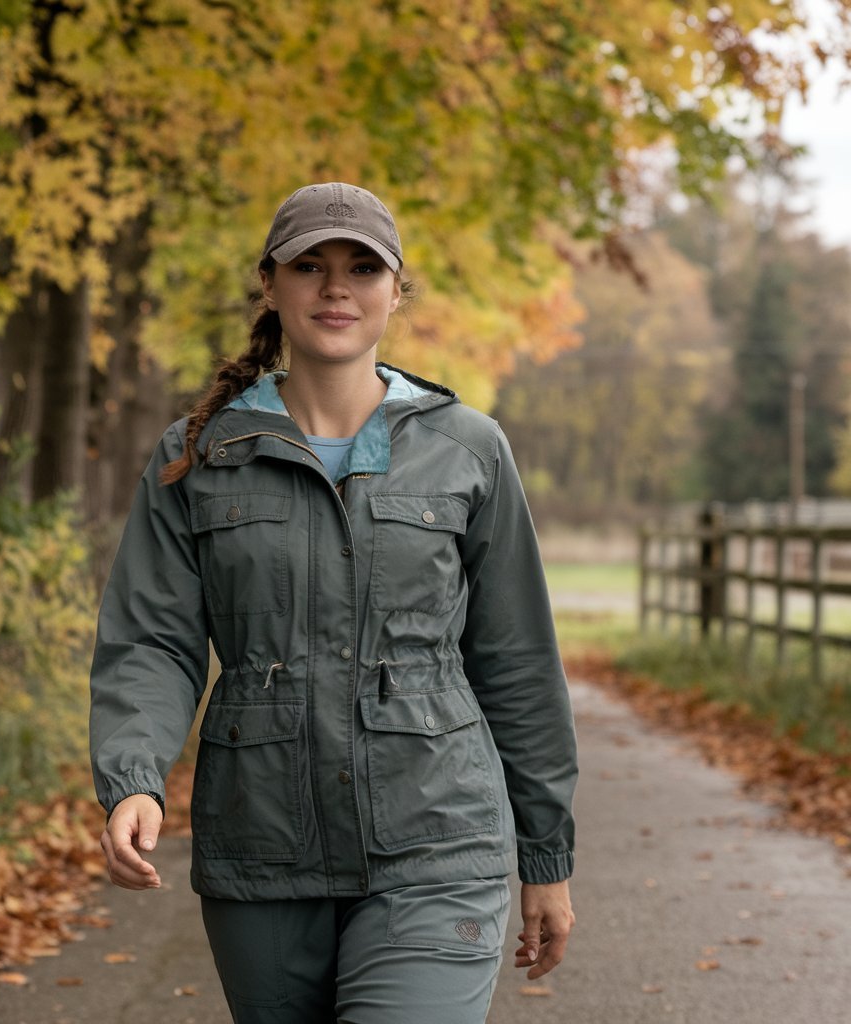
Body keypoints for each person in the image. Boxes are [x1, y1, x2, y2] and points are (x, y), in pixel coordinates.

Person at [89, 182, 578, 1023]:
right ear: (270, 284)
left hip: (438, 841)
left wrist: (545, 852)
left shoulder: (466, 448)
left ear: (396, 290)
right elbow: (152, 641)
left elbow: (515, 657)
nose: (335, 288)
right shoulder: (200, 455)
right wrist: (133, 777)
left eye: (361, 268)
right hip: (261, 847)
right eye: (309, 265)